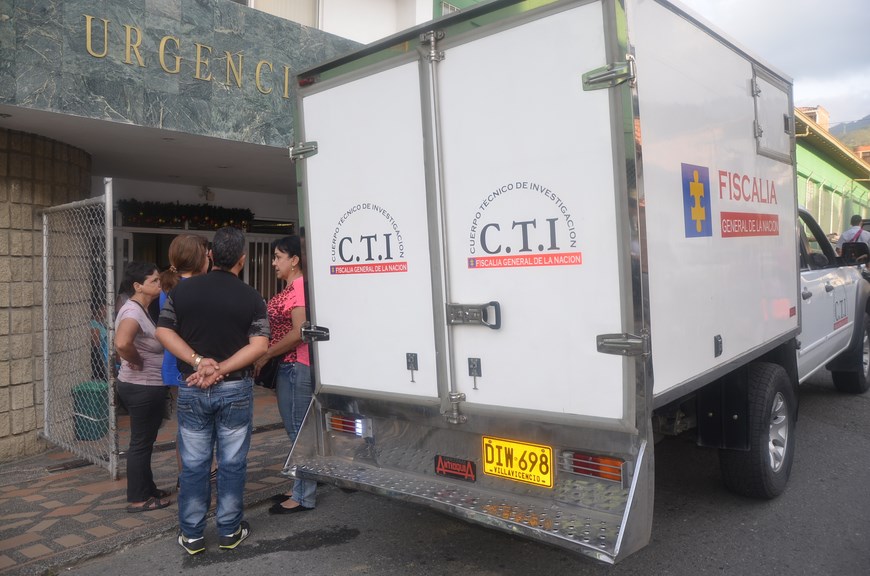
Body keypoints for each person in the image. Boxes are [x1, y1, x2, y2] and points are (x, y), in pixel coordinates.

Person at [156, 226, 269, 555]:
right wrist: (222, 368)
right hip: (234, 388)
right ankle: (229, 531)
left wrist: (198, 361)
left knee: (194, 464)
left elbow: (163, 332)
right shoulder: (251, 296)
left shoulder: (182, 292)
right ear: (242, 260)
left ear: (210, 255)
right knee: (232, 463)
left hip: (192, 387)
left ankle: (192, 535)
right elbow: (259, 345)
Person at [253, 235, 316, 514]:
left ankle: (304, 496)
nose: (273, 262)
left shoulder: (299, 286)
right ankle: (300, 486)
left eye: (279, 257)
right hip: (289, 365)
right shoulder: (292, 287)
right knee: (295, 430)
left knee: (297, 431)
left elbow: (299, 332)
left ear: (295, 260)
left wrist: (267, 353)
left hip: (296, 364)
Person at [114, 261, 172, 513]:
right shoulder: (133, 312)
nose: (159, 284)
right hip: (142, 386)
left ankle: (148, 488)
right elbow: (122, 344)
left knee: (145, 441)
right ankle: (139, 498)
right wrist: (136, 360)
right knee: (140, 443)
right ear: (138, 286)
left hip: (144, 385)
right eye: (154, 281)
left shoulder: (140, 309)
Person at [159, 234, 211, 486]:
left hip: (180, 364)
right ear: (198, 256)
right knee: (195, 427)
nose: (209, 257)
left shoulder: (172, 287)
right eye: (206, 253)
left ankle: (188, 475)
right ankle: (193, 474)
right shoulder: (192, 288)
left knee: (188, 426)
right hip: (190, 366)